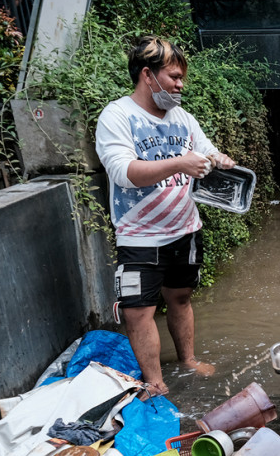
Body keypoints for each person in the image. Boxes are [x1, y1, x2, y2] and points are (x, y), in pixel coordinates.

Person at [95, 35, 235, 397]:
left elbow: (205, 152)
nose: (180, 85)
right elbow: (123, 172)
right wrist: (179, 162)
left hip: (185, 229)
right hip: (139, 235)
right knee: (138, 312)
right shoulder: (117, 116)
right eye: (174, 77)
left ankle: (188, 360)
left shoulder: (183, 118)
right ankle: (155, 382)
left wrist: (218, 159)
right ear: (147, 75)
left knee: (181, 298)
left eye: (181, 78)